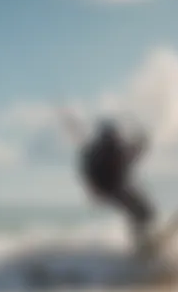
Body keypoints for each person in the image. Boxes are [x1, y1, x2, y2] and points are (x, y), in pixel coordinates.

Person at [59, 109, 157, 259]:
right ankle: (141, 245)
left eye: (113, 135)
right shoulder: (98, 151)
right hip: (109, 190)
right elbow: (86, 170)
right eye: (111, 136)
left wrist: (142, 141)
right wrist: (93, 189)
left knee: (145, 212)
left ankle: (143, 242)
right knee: (141, 211)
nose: (113, 138)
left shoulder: (113, 149)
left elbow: (134, 152)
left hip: (114, 188)